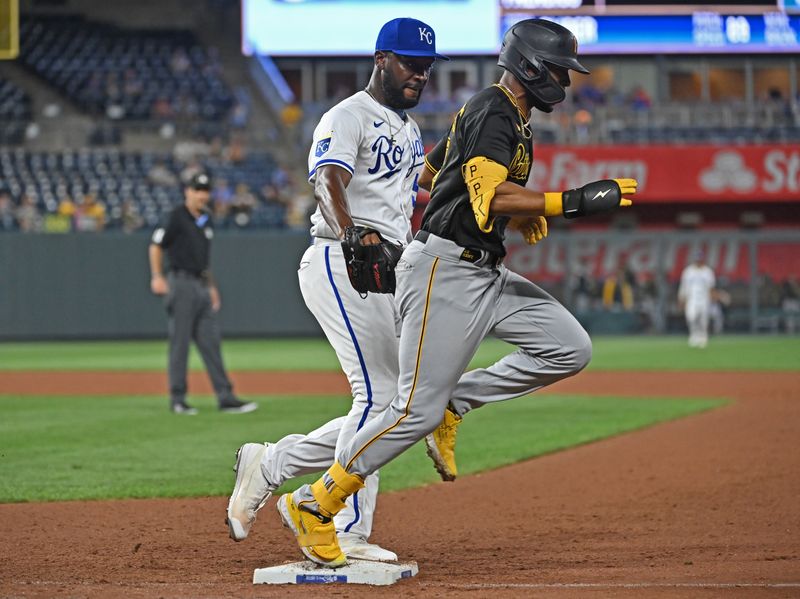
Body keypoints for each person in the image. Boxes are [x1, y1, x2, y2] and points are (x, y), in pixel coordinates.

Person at [272, 18, 637, 568]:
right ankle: (315, 503)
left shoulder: (501, 115)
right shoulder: (493, 109)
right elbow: (488, 195)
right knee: (410, 408)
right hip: (445, 270)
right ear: (532, 67)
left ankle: (457, 402)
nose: (566, 82)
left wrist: (518, 210)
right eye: (560, 70)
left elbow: (442, 176)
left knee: (568, 347)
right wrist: (563, 202)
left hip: (483, 268)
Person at [226, 17, 446, 562]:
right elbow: (328, 179)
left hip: (387, 268)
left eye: (425, 66)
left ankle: (272, 464)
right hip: (340, 259)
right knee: (377, 397)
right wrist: (352, 233)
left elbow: (414, 182)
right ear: (380, 60)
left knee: (393, 405)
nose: (418, 73)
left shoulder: (407, 129)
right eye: (408, 63)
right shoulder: (348, 115)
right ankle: (341, 526)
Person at [148, 171, 257, 415]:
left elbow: (203, 260)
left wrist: (212, 287)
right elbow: (156, 245)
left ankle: (225, 396)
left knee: (211, 343)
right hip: (181, 283)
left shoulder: (205, 220)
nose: (201, 195)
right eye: (197, 190)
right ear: (187, 191)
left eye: (205, 191)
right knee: (180, 344)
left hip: (201, 285)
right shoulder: (176, 216)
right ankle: (178, 399)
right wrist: (157, 276)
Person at [678, 250, 716, 348]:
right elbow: (684, 286)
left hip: (704, 298)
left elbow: (711, 287)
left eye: (699, 259)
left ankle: (703, 336)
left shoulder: (708, 272)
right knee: (691, 317)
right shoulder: (688, 271)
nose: (698, 261)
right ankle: (694, 335)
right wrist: (682, 298)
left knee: (703, 319)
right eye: (696, 259)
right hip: (692, 298)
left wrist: (712, 299)